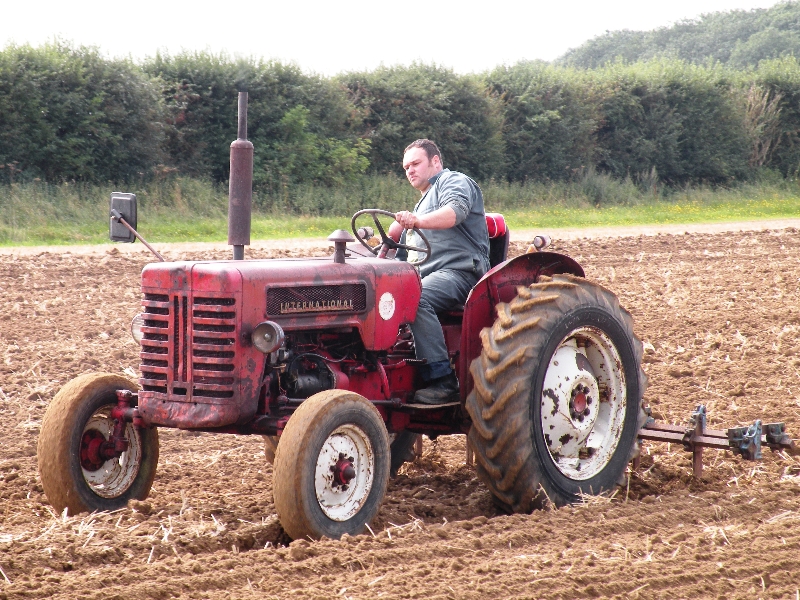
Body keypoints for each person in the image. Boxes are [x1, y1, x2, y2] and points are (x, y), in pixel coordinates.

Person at [393, 139, 490, 404]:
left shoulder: (454, 182)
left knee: (415, 298)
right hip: (426, 275)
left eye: (415, 163)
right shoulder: (422, 201)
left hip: (459, 273)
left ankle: (443, 380)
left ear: (435, 161)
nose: (409, 171)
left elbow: (454, 213)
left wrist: (417, 222)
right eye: (405, 167)